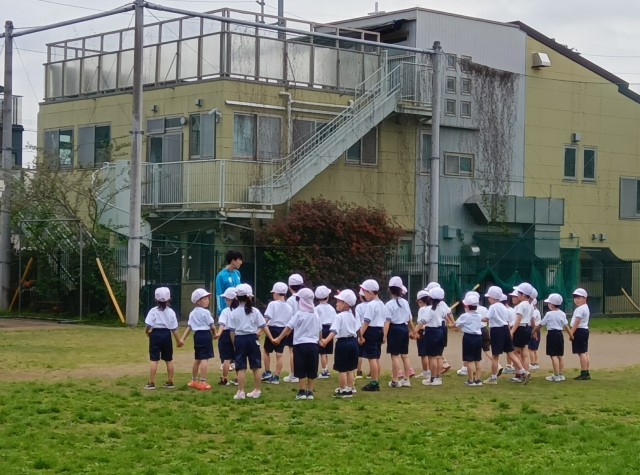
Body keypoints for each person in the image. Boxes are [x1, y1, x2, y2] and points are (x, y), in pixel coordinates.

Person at [227, 284, 275, 400]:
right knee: (255, 367)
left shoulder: (233, 313)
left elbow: (232, 331)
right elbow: (263, 326)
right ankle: (257, 390)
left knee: (241, 367)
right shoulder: (255, 311)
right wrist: (272, 338)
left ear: (237, 297)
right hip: (253, 339)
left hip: (240, 339)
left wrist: (234, 344)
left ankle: (240, 391)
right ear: (250, 297)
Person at [273, 288, 322, 400]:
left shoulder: (299, 314)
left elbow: (288, 328)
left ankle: (302, 391)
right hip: (313, 345)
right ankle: (310, 392)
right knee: (312, 367)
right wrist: (320, 340)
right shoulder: (315, 314)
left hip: (300, 345)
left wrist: (279, 338)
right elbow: (320, 329)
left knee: (301, 367)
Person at [482, 286, 530, 385]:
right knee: (510, 353)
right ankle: (523, 372)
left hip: (496, 330)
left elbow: (486, 318)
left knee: (495, 356)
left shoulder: (493, 307)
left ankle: (493, 378)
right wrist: (509, 333)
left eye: (489, 297)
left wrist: (476, 317)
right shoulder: (504, 307)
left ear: (492, 298)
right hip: (505, 329)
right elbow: (507, 321)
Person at [320, 289, 359, 398]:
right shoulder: (353, 314)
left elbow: (334, 331)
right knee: (350, 368)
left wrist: (325, 341)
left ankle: (342, 390)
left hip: (343, 344)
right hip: (353, 342)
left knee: (342, 369)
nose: (336, 303)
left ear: (345, 304)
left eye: (339, 301)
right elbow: (357, 328)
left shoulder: (339, 316)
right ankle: (349, 388)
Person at [144, 287, 183, 390]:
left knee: (154, 359)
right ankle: (170, 381)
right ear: (169, 299)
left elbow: (148, 325)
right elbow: (174, 329)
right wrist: (178, 341)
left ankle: (151, 383)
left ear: (155, 299)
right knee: (168, 359)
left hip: (155, 334)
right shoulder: (171, 312)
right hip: (166, 334)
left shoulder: (153, 311)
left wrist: (147, 332)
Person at [180, 289, 216, 390]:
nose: (207, 300)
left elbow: (189, 327)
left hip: (197, 336)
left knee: (197, 359)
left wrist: (183, 339)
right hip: (205, 335)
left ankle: (194, 380)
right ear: (198, 301)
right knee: (205, 359)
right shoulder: (206, 312)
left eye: (207, 298)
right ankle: (203, 381)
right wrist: (215, 334)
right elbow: (212, 326)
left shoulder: (192, 313)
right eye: (204, 298)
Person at [384, 276, 414, 388]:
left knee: (395, 356)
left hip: (394, 330)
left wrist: (384, 335)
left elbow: (387, 321)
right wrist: (413, 331)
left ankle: (395, 380)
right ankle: (407, 379)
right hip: (404, 328)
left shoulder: (389, 304)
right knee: (405, 355)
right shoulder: (405, 302)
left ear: (389, 289)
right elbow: (409, 319)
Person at [358, 279, 388, 391]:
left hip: (371, 331)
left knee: (372, 358)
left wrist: (360, 336)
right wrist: (384, 335)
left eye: (365, 292)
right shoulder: (382, 304)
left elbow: (366, 322)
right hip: (379, 330)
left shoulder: (371, 305)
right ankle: (376, 380)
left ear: (370, 292)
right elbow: (384, 321)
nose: (364, 294)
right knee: (377, 357)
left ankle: (374, 383)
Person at [261, 282, 292, 385]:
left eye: (273, 293)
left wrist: (260, 330)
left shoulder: (272, 304)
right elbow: (290, 324)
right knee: (279, 354)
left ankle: (267, 372)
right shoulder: (289, 307)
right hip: (283, 331)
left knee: (266, 351)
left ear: (277, 293)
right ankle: (276, 377)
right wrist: (286, 334)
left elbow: (267, 318)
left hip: (272, 329)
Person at [414, 287, 446, 386]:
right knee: (439, 356)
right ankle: (438, 377)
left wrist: (414, 331)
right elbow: (444, 318)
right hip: (441, 331)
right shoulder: (441, 308)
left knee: (432, 357)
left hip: (431, 332)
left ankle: (433, 378)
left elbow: (422, 322)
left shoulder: (428, 309)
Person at [534, 293, 568, 382]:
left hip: (552, 334)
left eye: (549, 303)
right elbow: (566, 325)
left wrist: (534, 331)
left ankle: (556, 375)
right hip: (560, 334)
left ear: (552, 304)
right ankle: (561, 374)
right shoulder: (562, 314)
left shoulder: (549, 314)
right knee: (560, 355)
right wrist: (571, 335)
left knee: (553, 355)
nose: (548, 304)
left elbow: (541, 324)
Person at [454, 293, 484, 386]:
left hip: (469, 338)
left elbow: (456, 325)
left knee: (469, 360)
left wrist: (450, 324)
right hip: (478, 338)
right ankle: (478, 379)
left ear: (466, 306)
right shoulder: (479, 316)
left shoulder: (465, 316)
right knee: (477, 360)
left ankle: (470, 380)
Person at [283, 273, 305, 383]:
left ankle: (294, 374)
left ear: (289, 287)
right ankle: (302, 373)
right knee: (302, 351)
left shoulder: (290, 300)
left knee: (292, 351)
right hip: (304, 327)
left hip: (293, 328)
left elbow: (288, 316)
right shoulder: (305, 297)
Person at [511, 283, 535, 379]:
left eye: (519, 293)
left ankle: (520, 373)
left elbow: (518, 320)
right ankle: (526, 372)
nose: (517, 295)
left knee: (514, 353)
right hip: (527, 328)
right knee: (524, 353)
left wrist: (512, 331)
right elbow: (531, 319)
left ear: (523, 295)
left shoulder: (521, 305)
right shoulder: (531, 305)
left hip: (520, 329)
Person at [216, 287, 238, 386]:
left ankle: (224, 378)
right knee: (237, 357)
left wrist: (218, 334)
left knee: (226, 359)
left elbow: (222, 324)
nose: (225, 301)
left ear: (229, 300)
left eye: (226, 299)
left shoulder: (225, 311)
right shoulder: (240, 311)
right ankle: (238, 378)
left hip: (225, 334)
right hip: (237, 334)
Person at [569, 288, 591, 380]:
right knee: (584, 352)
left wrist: (571, 333)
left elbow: (577, 322)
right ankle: (586, 371)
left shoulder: (580, 309)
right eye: (575, 298)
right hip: (584, 330)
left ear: (585, 298)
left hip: (579, 331)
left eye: (579, 298)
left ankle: (584, 373)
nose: (576, 300)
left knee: (581, 352)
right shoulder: (585, 307)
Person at [315, 285, 337, 379]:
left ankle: (324, 371)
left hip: (321, 330)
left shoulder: (316, 308)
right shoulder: (331, 308)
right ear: (327, 297)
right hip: (330, 330)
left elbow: (315, 320)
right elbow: (335, 320)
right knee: (325, 352)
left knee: (322, 352)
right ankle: (326, 369)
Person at [215, 250, 243, 315]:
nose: (241, 262)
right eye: (239, 260)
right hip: (227, 310)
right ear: (233, 261)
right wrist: (220, 312)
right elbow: (219, 294)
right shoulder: (221, 276)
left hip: (238, 309)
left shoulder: (237, 273)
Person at [354, 289, 369, 379]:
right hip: (370, 329)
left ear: (360, 296)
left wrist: (359, 335)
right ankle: (371, 372)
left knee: (359, 353)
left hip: (361, 329)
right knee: (371, 353)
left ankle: (359, 371)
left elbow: (357, 320)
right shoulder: (371, 305)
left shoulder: (359, 307)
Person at [528, 296, 542, 370]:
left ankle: (533, 363)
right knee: (535, 349)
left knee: (531, 348)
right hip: (537, 329)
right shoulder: (537, 311)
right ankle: (535, 363)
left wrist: (533, 332)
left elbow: (532, 320)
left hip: (534, 329)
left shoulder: (534, 311)